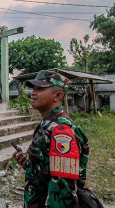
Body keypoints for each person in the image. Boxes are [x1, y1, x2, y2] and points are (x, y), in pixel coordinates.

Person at [13, 70, 89, 208]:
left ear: (58, 96)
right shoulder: (48, 124)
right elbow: (48, 168)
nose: (33, 92)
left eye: (40, 88)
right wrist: (29, 164)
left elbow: (63, 191)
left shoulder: (62, 132)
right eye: (34, 88)